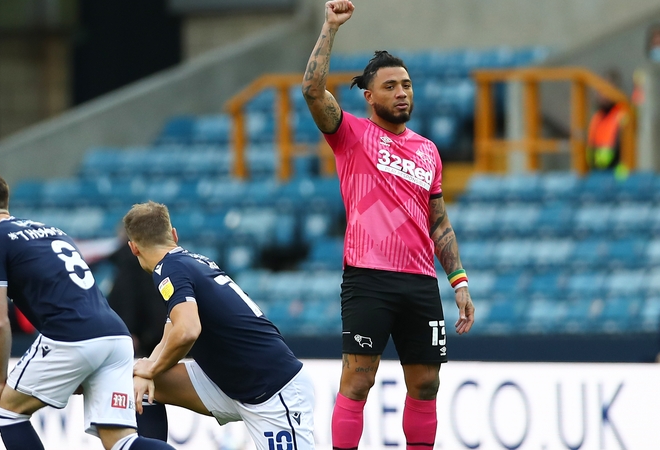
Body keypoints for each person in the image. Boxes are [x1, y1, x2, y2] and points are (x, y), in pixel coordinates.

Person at [301, 2, 475, 449]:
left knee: (426, 384)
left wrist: (458, 281)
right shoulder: (351, 135)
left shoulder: (428, 151)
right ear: (370, 96)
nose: (402, 93)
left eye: (407, 85)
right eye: (391, 86)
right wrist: (329, 28)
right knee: (358, 381)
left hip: (420, 282)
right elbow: (312, 90)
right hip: (369, 277)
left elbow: (438, 221)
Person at [0, 168, 174, 450]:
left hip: (72, 337)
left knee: (9, 411)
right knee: (120, 442)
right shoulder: (51, 231)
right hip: (116, 337)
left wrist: (1, 381)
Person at [122, 201, 316, 450]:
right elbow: (172, 331)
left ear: (133, 248)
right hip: (234, 384)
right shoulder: (191, 262)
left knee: (147, 376)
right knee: (141, 384)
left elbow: (188, 331)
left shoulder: (169, 269)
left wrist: (151, 369)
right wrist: (146, 370)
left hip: (274, 391)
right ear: (173, 234)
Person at [106, 230, 170, 441]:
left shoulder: (127, 265)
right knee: (150, 396)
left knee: (141, 395)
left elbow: (126, 298)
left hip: (139, 343)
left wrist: (128, 330)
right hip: (161, 339)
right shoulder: (165, 263)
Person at [586, 69, 630, 178]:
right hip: (597, 174)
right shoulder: (596, 118)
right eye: (601, 90)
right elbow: (590, 150)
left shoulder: (623, 114)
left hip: (619, 177)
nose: (603, 95)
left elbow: (618, 153)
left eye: (607, 89)